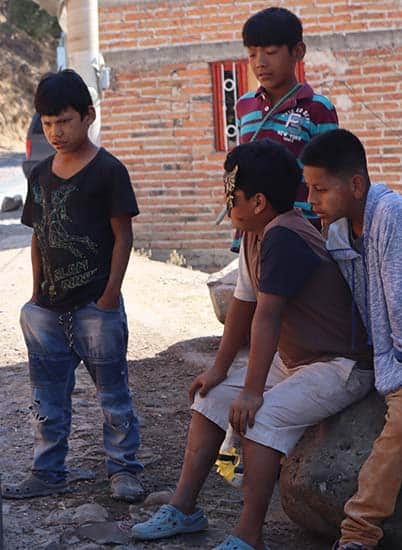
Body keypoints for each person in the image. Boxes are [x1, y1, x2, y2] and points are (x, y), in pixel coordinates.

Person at [132, 139, 373, 550]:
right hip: (297, 359)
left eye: (233, 196)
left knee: (259, 418)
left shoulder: (285, 236)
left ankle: (248, 536)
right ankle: (184, 508)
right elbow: (244, 304)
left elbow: (268, 316)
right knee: (210, 398)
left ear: (259, 201)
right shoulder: (253, 234)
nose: (226, 204)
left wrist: (251, 392)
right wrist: (220, 370)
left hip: (340, 365)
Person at [1, 69, 144, 503]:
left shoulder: (108, 171)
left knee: (113, 396)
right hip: (47, 310)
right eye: (47, 123)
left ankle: (123, 470)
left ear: (88, 116)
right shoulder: (40, 174)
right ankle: (48, 472)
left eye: (64, 121)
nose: (55, 131)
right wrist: (34, 296)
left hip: (95, 309)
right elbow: (38, 236)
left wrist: (108, 298)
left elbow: (124, 236)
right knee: (46, 400)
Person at [302, 129, 402, 550]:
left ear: (356, 185)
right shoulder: (338, 232)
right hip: (383, 355)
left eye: (320, 189)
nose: (311, 201)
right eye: (308, 189)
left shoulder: (390, 216)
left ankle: (358, 532)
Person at [227, 6, 338, 252]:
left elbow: (331, 176)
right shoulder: (245, 105)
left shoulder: (318, 108)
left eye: (270, 52)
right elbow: (238, 171)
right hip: (252, 232)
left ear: (298, 52)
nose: (260, 63)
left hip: (301, 231)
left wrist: (329, 232)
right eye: (252, 54)